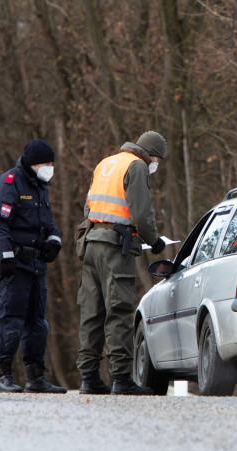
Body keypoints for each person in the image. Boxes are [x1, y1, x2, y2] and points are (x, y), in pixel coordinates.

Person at [76, 131, 167, 395]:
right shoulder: (136, 166)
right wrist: (155, 240)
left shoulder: (106, 163)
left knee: (92, 313)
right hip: (116, 249)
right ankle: (121, 378)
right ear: (151, 154)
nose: (156, 165)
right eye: (158, 159)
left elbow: (88, 208)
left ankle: (89, 377)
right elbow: (141, 212)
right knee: (119, 311)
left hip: (91, 243)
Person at [0, 139, 66, 393]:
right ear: (33, 163)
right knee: (11, 320)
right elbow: (1, 225)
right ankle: (3, 373)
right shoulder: (10, 183)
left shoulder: (41, 186)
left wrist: (54, 241)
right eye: (46, 163)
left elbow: (48, 222)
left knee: (38, 323)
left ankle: (36, 377)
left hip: (37, 265)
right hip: (15, 266)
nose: (50, 167)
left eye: (52, 163)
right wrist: (4, 257)